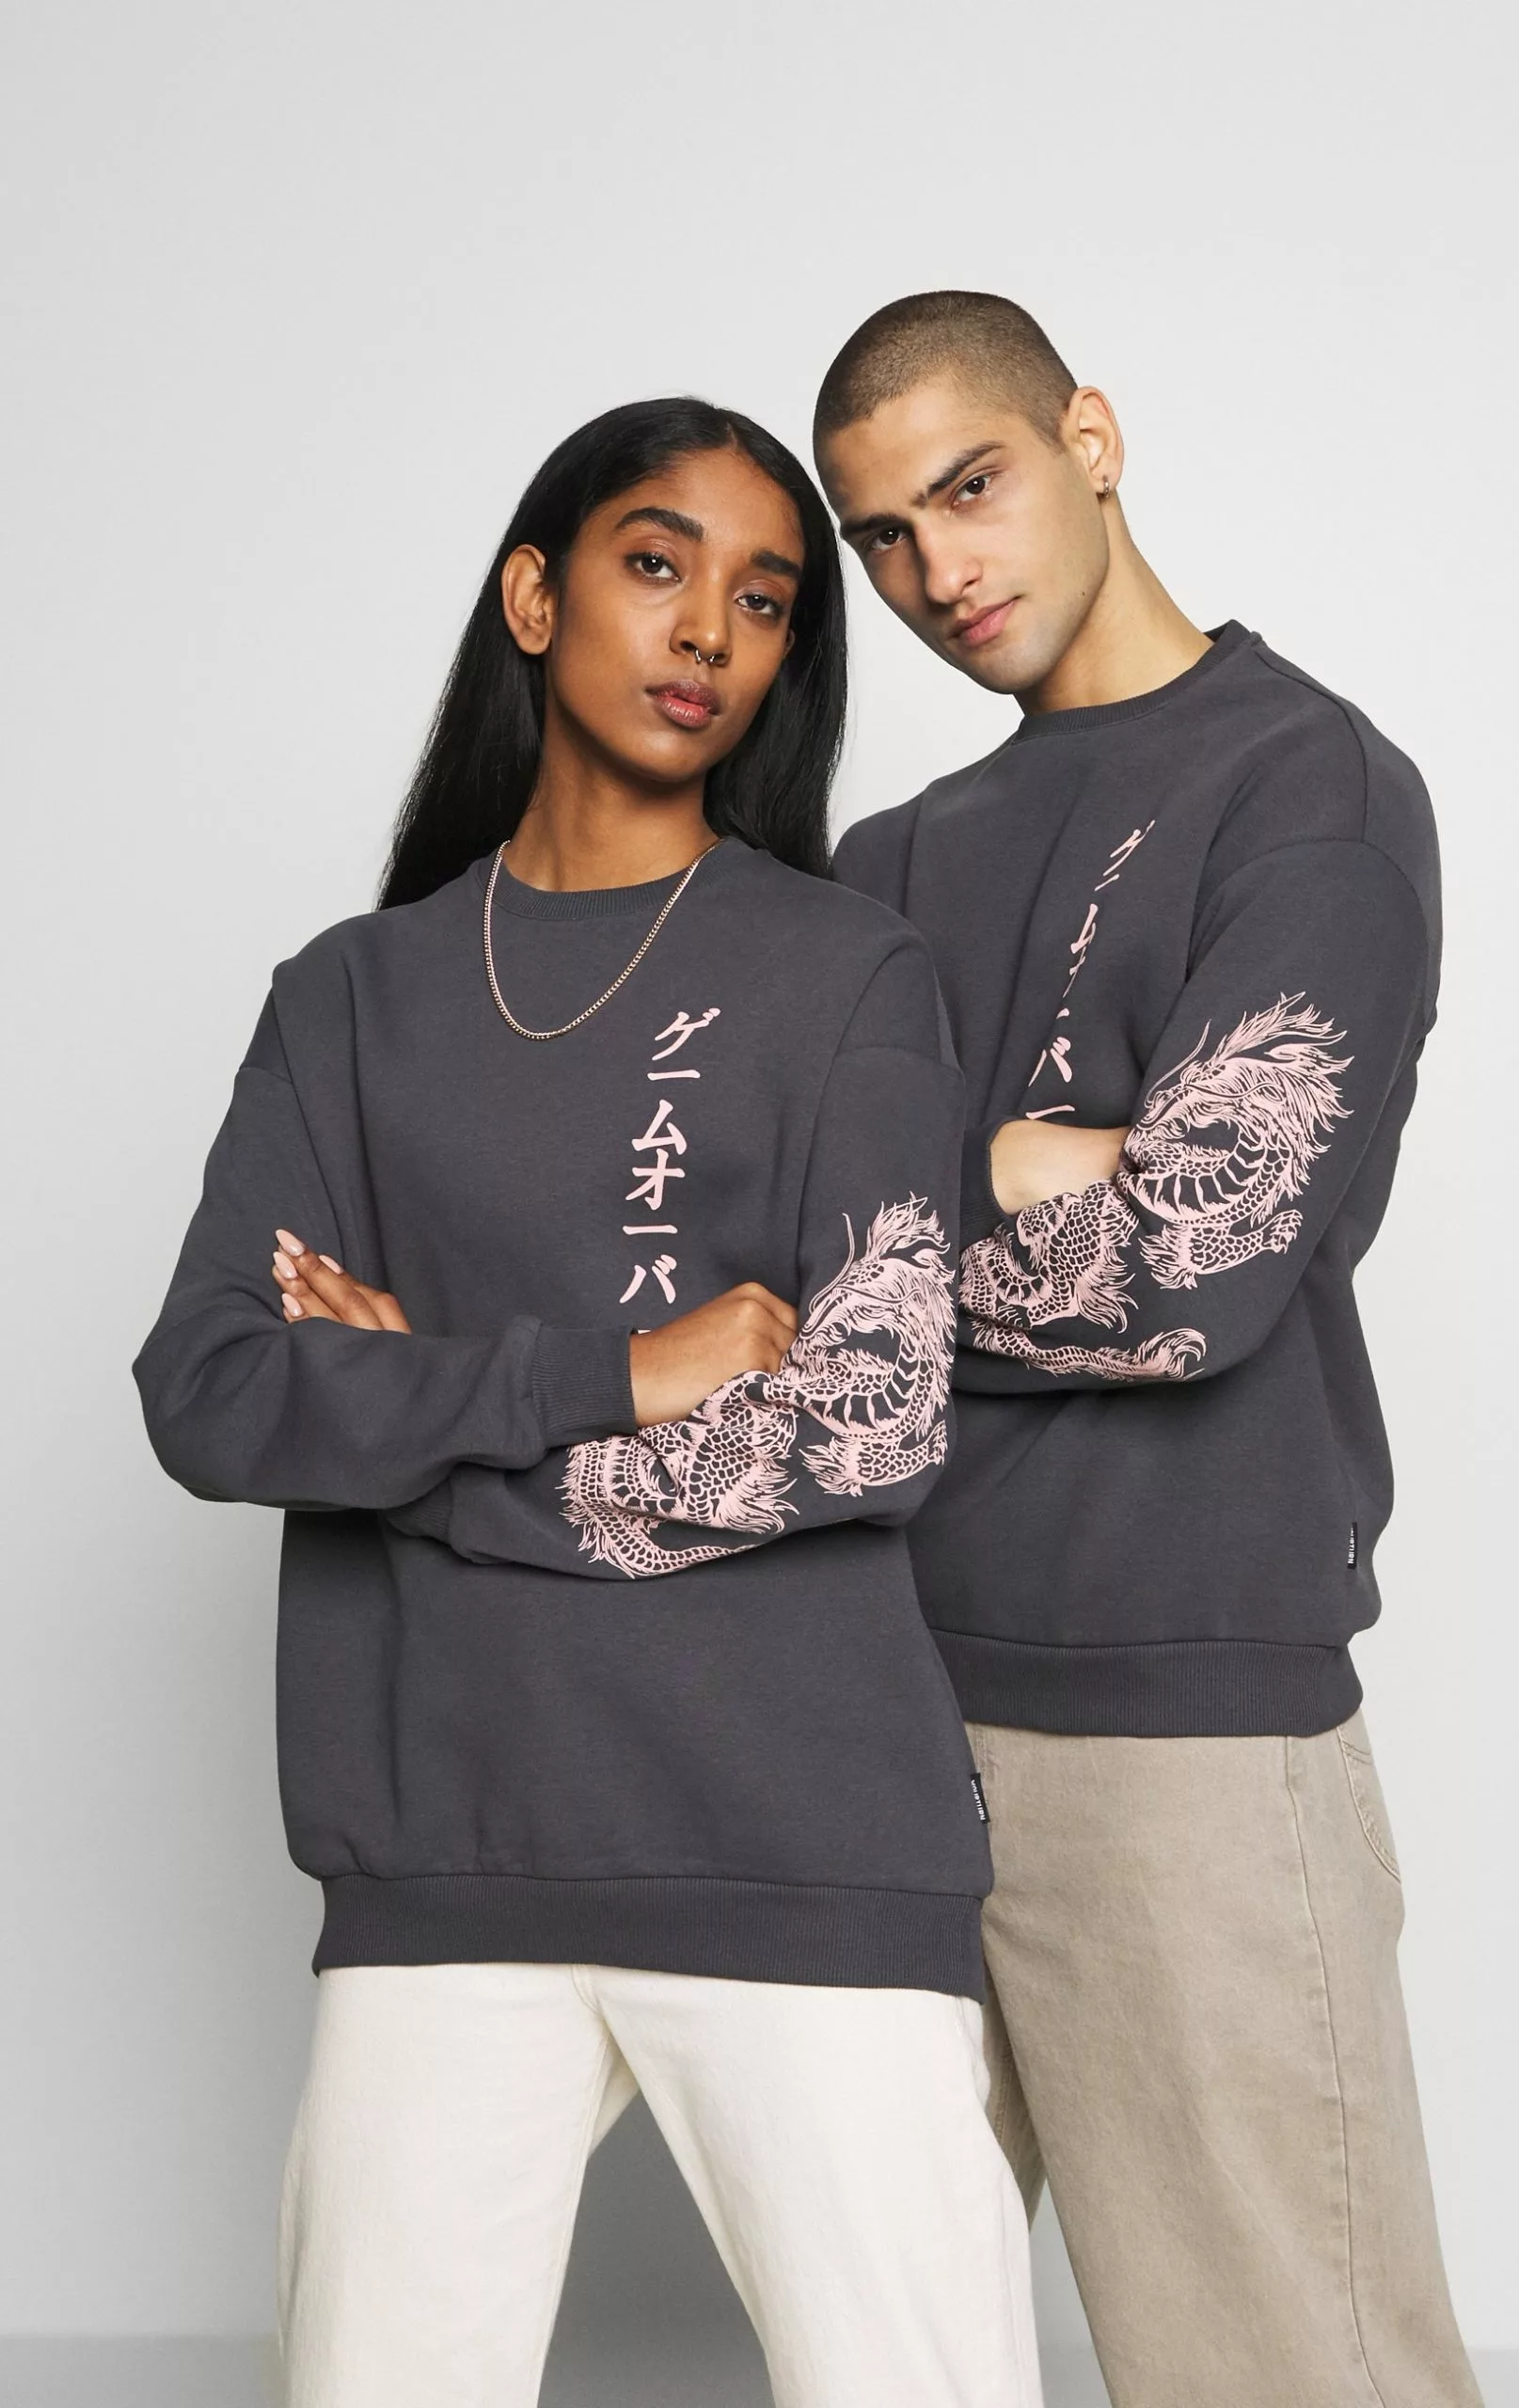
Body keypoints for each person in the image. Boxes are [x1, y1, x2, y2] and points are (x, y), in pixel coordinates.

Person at [134, 396, 1043, 2408]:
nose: (708, 628)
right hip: (445, 1853)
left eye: (765, 598)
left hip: (804, 1841)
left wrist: (413, 1435)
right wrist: (608, 1373)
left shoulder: (849, 971)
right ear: (535, 599)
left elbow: (872, 1417)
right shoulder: (349, 999)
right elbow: (209, 1388)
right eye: (656, 564)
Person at [816, 293, 1481, 2408]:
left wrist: (944, 1204)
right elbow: (783, 1285)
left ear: (1089, 438)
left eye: (971, 487)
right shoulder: (883, 866)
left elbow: (1199, 1264)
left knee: (1282, 2370)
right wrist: (1035, 1165)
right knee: (874, 2367)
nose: (938, 570)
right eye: (883, 536)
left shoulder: (1308, 787)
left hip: (1178, 1731)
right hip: (869, 1715)